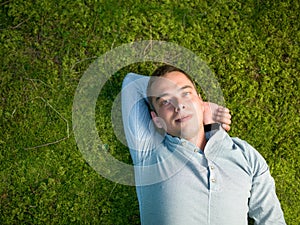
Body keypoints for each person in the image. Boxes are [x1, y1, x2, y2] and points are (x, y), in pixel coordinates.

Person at [121, 65, 286, 225]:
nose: (179, 105)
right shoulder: (149, 152)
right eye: (165, 101)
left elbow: (272, 220)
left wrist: (203, 110)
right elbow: (131, 83)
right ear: (156, 119)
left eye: (186, 93)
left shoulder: (245, 154)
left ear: (200, 100)